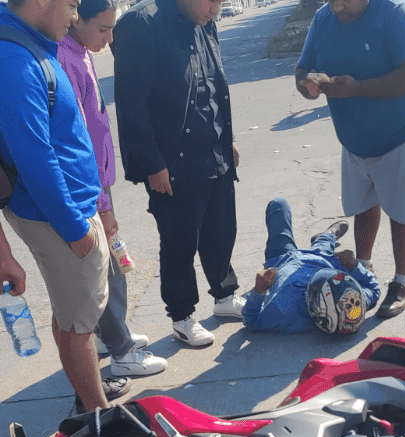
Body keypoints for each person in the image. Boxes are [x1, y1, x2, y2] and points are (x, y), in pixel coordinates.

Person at [0, 0, 130, 412]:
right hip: (57, 214)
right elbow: (35, 157)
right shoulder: (14, 60)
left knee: (71, 314)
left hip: (63, 208)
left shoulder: (29, 44)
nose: (76, 17)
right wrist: (75, 228)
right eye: (72, 5)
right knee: (78, 326)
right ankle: (96, 416)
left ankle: (88, 398)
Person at [111, 0, 245, 349]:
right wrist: (152, 164)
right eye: (210, 1)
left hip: (213, 150)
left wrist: (227, 137)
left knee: (221, 227)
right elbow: (131, 104)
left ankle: (224, 295)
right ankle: (182, 316)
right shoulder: (141, 25)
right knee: (179, 241)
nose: (216, 8)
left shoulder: (205, 21)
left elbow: (213, 85)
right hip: (172, 161)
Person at [294, 0, 405, 320]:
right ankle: (363, 270)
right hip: (354, 140)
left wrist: (356, 89)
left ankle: (400, 283)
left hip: (401, 131)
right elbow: (303, 68)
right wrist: (308, 85)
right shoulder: (323, 19)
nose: (337, 6)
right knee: (364, 204)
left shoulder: (396, 13)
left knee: (401, 209)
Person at [59, 0, 168, 377]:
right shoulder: (65, 59)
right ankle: (121, 353)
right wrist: (102, 202)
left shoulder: (82, 52)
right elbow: (78, 139)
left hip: (100, 181)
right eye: (103, 29)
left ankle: (112, 335)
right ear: (76, 20)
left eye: (112, 30)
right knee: (104, 270)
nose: (109, 38)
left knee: (113, 264)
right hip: (87, 188)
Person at [243, 197, 380, 333]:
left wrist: (259, 290)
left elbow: (251, 321)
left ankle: (325, 237)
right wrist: (354, 266)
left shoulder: (284, 310)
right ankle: (328, 235)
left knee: (278, 204)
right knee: (323, 245)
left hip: (281, 259)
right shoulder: (354, 304)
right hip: (322, 257)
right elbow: (374, 290)